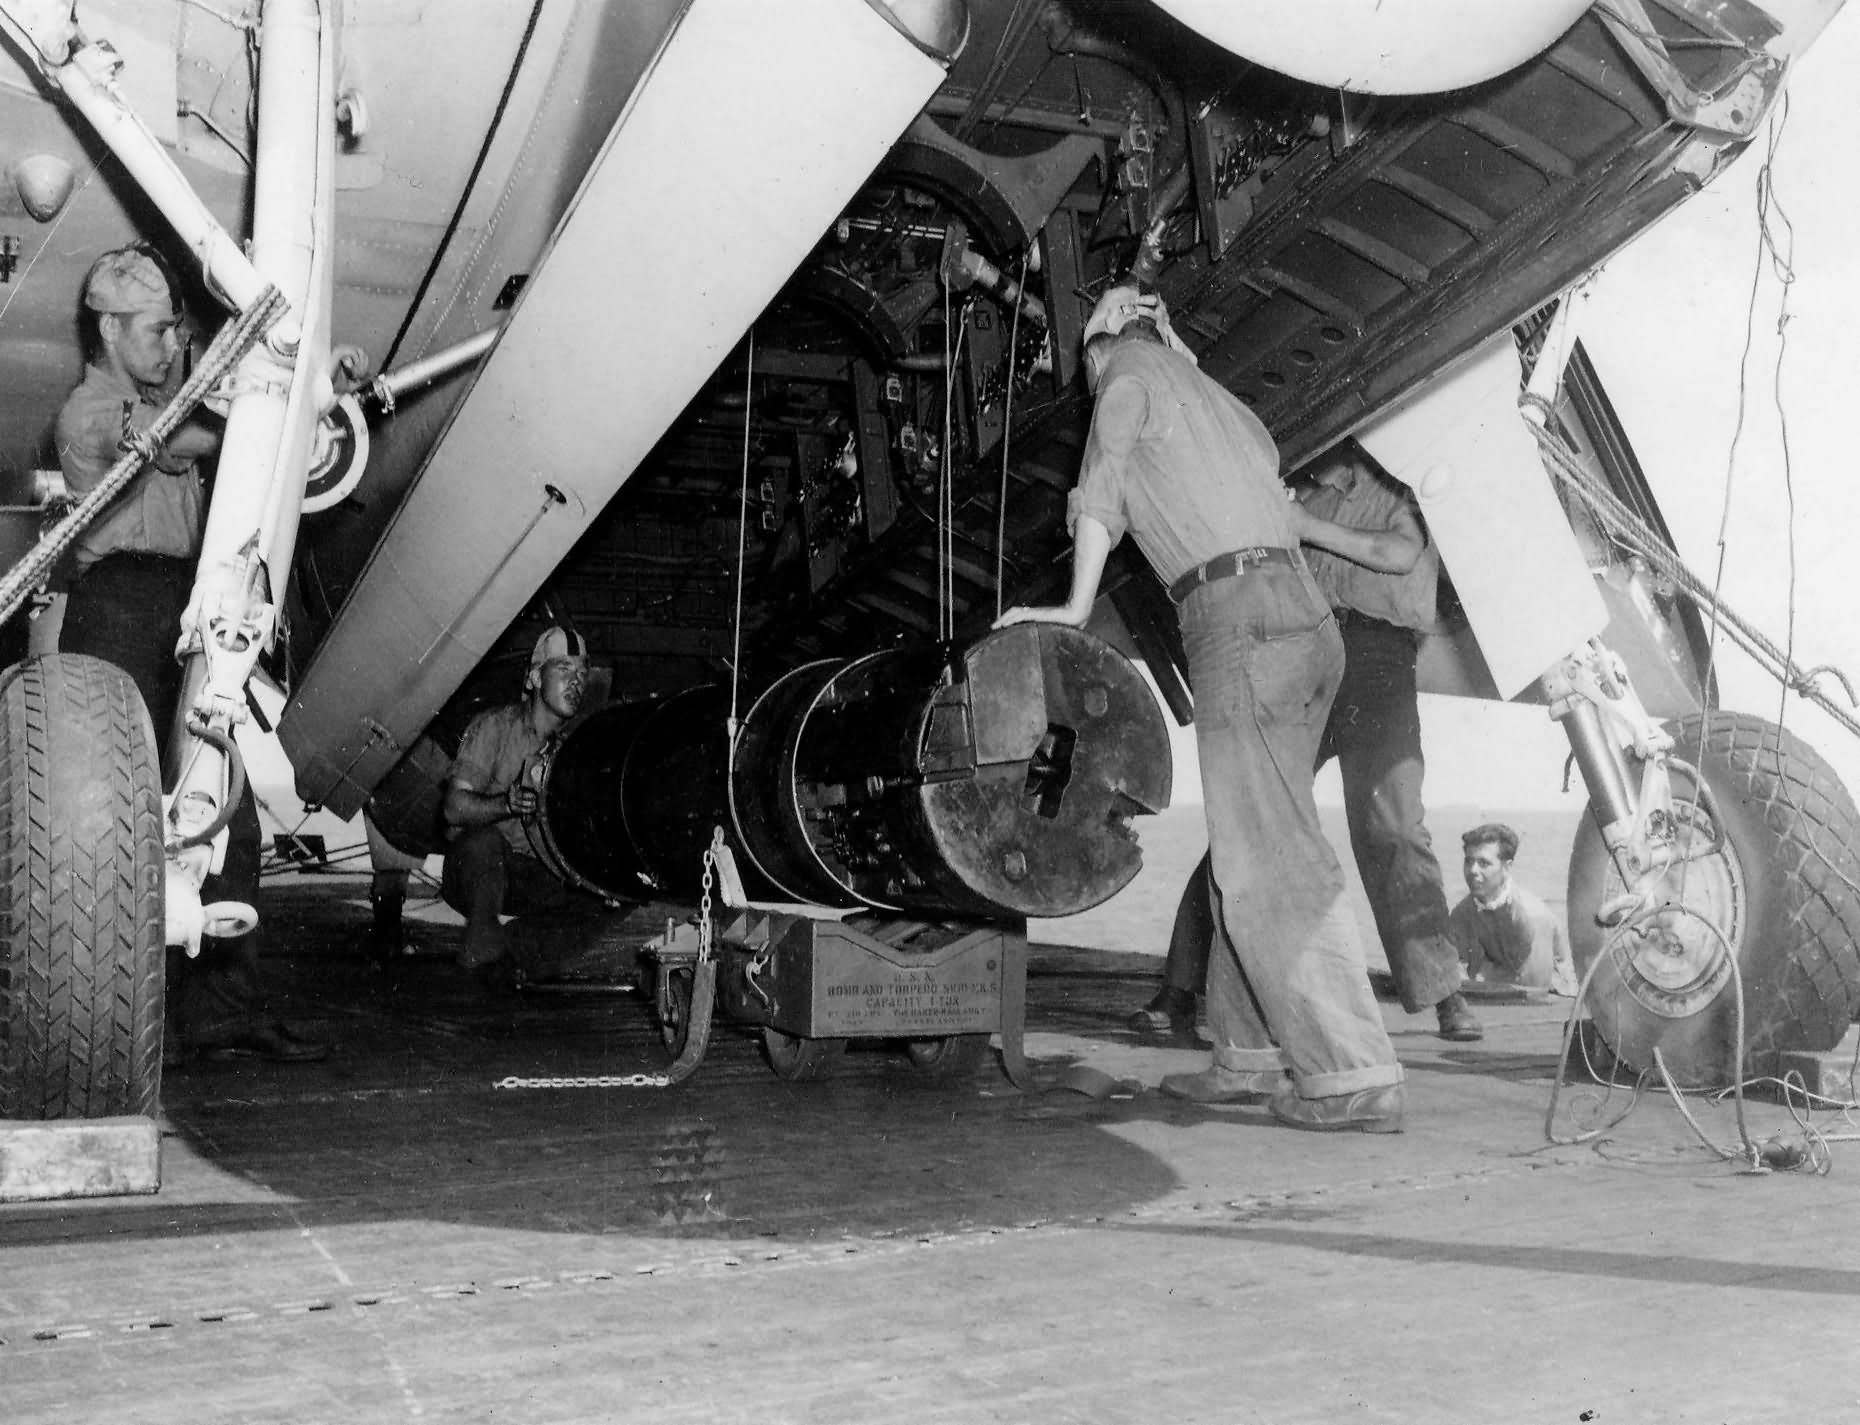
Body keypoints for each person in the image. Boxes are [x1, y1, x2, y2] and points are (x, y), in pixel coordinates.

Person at [996, 283, 1405, 1132]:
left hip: (1235, 618)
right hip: (1303, 623)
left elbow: (1102, 484)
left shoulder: (1125, 375)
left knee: (1268, 854)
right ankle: (1249, 1055)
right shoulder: (1226, 407)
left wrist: (1073, 607)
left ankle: (1352, 1071)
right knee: (1250, 842)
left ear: (1100, 346)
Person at [56, 243, 325, 1065]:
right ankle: (115, 1020)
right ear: (108, 328)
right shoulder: (91, 412)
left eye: (178, 330)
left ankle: (223, 1009)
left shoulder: (159, 393)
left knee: (226, 810)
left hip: (181, 597)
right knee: (117, 823)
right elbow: (181, 441)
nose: (172, 345)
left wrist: (319, 380)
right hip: (118, 610)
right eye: (156, 330)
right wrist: (274, 400)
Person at [1132, 448, 1483, 1044]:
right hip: (1306, 653)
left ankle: (1441, 987)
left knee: (1393, 826)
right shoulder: (1292, 491)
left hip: (1378, 657)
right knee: (1251, 821)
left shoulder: (1396, 484)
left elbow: (1400, 553)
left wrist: (1302, 527)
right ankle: (1179, 988)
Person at [441, 625, 595, 976]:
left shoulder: (577, 748)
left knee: (599, 900)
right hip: (477, 873)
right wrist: (506, 805)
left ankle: (509, 943)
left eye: (582, 672)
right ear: (535, 679)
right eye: (563, 669)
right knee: (484, 841)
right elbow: (452, 809)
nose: (577, 681)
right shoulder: (494, 728)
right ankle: (483, 932)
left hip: (537, 877)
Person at [1447, 823, 1578, 995]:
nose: (1472, 870)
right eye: (1468, 861)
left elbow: (1535, 982)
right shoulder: (1461, 914)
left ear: (1507, 867)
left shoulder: (1535, 917)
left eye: (1484, 863)